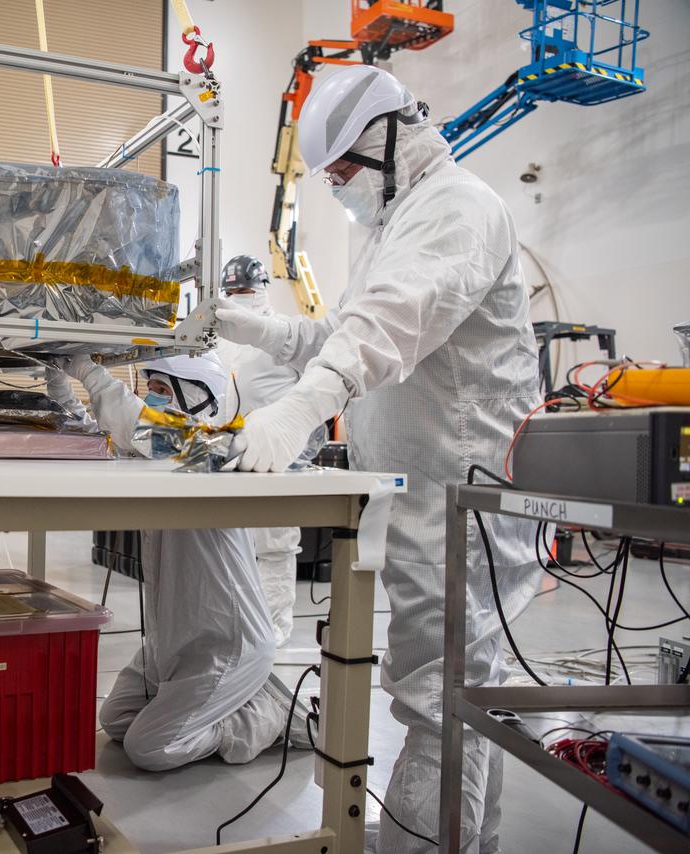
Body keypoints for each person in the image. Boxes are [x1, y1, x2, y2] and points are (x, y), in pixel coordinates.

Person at [214, 65, 540, 852]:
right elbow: (338, 334)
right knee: (450, 692)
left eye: (344, 172)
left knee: (441, 698)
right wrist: (247, 327)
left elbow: (383, 329)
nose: (339, 190)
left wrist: (298, 412)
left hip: (464, 497)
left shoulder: (458, 208)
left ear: (391, 139)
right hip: (425, 496)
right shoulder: (396, 223)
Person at [47, 353, 312, 772]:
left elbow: (147, 429)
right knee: (115, 720)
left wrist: (89, 372)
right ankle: (236, 701)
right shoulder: (153, 456)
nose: (152, 398)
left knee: (149, 750)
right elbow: (91, 434)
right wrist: (59, 384)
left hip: (227, 646)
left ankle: (272, 715)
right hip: (170, 643)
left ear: (200, 399)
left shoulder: (213, 451)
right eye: (149, 388)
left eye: (163, 390)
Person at [218, 254, 305, 647]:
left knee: (274, 544)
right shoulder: (220, 337)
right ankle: (239, 626)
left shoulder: (282, 333)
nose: (239, 298)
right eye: (232, 291)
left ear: (264, 289)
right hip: (227, 454)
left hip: (274, 456)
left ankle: (274, 629)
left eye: (247, 291)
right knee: (231, 543)